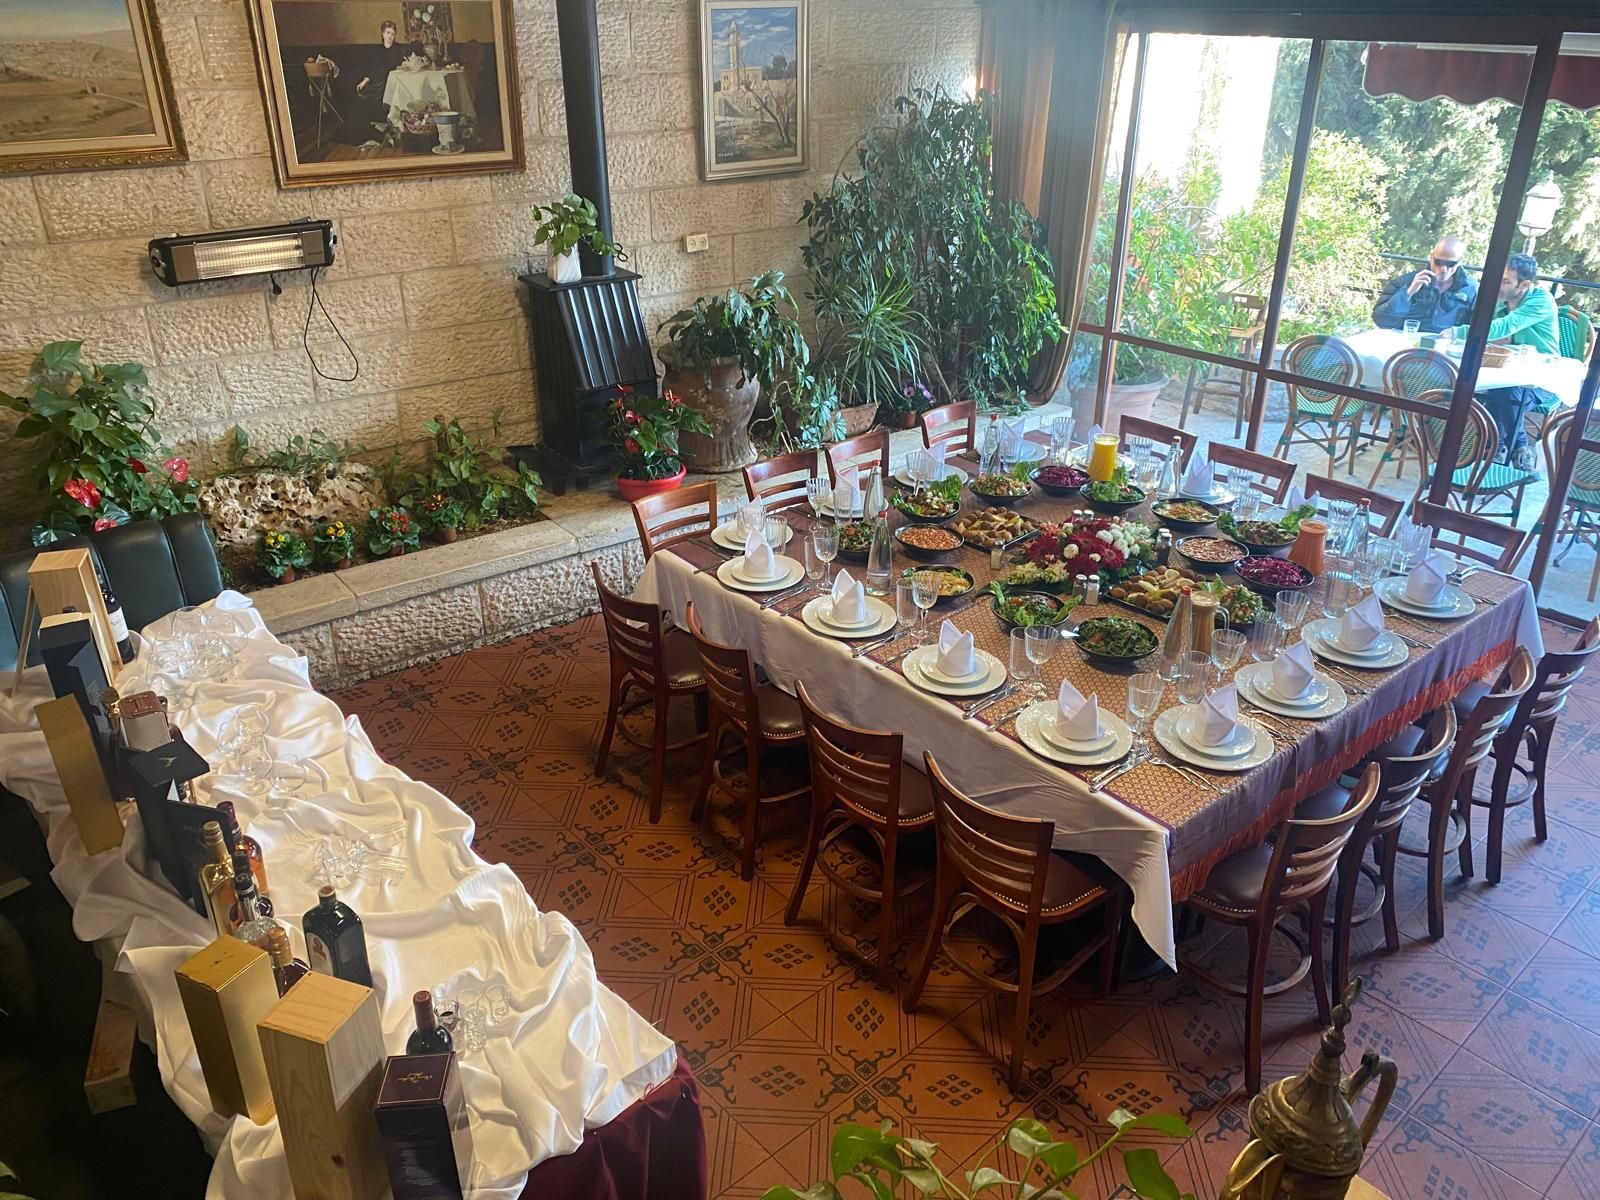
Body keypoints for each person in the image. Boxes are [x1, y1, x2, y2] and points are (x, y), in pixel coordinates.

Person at [1453, 252, 1561, 471]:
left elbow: (1505, 327)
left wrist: (1459, 332)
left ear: (1524, 285)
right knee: (1499, 391)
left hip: (1543, 376)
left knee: (1504, 394)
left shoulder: (1541, 300)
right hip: (1507, 369)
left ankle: (1500, 450)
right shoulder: (1501, 300)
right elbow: (1494, 333)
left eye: (1505, 281)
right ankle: (1501, 451)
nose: (1498, 285)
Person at [1372, 237, 1478, 333]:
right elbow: (1381, 321)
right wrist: (1407, 294)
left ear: (1460, 261)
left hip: (1447, 345)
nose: (1443, 269)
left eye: (1451, 264)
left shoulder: (1472, 290)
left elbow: (1479, 330)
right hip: (1408, 344)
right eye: (1439, 262)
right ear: (1431, 257)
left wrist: (1457, 333)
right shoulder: (1406, 282)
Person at [353, 20, 412, 130]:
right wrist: (366, 80)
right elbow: (374, 68)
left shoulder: (399, 50)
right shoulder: (378, 51)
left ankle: (392, 123)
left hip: (393, 82)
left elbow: (406, 64)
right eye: (388, 33)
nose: (390, 36)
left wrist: (404, 66)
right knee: (362, 92)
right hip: (378, 81)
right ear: (383, 34)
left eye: (392, 34)